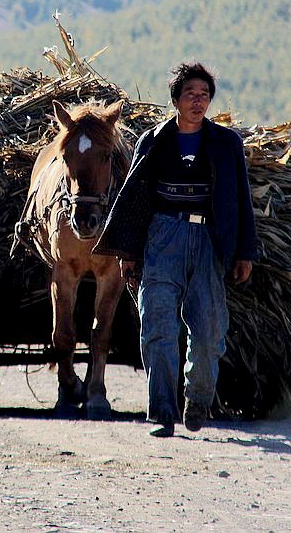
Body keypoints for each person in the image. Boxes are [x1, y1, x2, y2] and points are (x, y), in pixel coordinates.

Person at [93, 61, 258, 437]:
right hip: (162, 238)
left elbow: (241, 200)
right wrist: (129, 253)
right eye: (190, 95)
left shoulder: (226, 143)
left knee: (208, 330)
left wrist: (244, 252)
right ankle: (162, 412)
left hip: (208, 242)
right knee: (158, 325)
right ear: (176, 100)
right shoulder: (153, 141)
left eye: (204, 95)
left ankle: (197, 400)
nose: (198, 102)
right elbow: (134, 201)